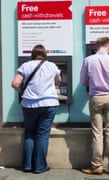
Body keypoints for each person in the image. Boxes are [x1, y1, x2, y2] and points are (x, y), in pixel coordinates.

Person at [11, 44, 61, 173]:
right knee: (43, 135)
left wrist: (23, 92)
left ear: (32, 54)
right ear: (45, 54)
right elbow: (58, 81)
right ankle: (40, 166)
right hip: (48, 104)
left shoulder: (25, 66)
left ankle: (27, 165)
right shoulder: (52, 66)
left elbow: (15, 83)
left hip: (29, 104)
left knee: (29, 133)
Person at [80, 37, 109, 175]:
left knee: (97, 132)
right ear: (108, 46)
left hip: (95, 98)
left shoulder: (88, 60)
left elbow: (83, 81)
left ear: (96, 46)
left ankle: (96, 166)